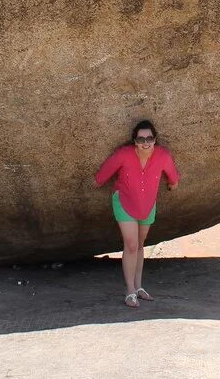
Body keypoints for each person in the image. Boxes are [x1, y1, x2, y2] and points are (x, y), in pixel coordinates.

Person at [94, 119, 180, 308]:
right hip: (124, 203)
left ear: (155, 139)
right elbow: (101, 176)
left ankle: (139, 287)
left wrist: (172, 184)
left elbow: (174, 178)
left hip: (147, 205)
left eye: (149, 138)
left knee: (140, 245)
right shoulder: (124, 154)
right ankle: (130, 291)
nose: (145, 142)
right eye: (141, 139)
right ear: (135, 141)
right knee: (131, 245)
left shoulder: (162, 156)